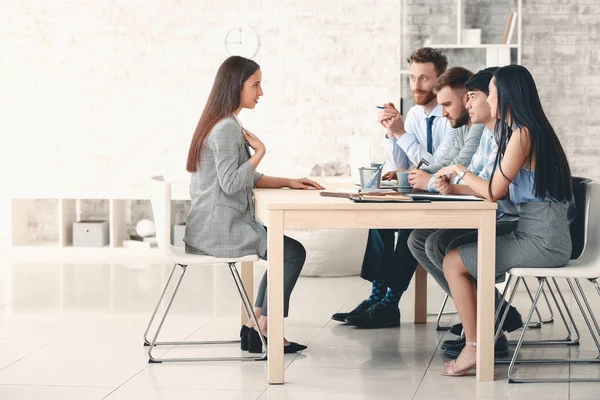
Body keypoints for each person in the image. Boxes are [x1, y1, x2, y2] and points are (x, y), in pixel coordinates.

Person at [437, 65, 573, 376]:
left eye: (494, 94)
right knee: (453, 255)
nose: (490, 101)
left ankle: (476, 347)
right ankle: (483, 337)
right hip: (536, 231)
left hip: (543, 240)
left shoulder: (522, 135)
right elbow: (494, 188)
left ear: (508, 96)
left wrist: (461, 170)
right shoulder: (525, 132)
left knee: (453, 262)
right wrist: (458, 184)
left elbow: (494, 191)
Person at [184, 56, 324, 354]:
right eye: (256, 85)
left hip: (219, 223)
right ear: (236, 86)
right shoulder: (225, 128)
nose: (260, 93)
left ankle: (254, 325)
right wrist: (260, 151)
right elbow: (232, 183)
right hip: (218, 230)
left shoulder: (225, 123)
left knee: (284, 252)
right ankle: (265, 328)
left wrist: (287, 181)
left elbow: (242, 176)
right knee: (291, 253)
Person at [331, 48, 458, 329]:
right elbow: (399, 163)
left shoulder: (452, 116)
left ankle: (390, 303)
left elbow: (437, 165)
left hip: (443, 198)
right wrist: (391, 131)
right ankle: (377, 297)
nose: (416, 85)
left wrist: (402, 134)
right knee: (380, 220)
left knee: (411, 228)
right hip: (418, 193)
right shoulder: (413, 115)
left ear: (439, 82)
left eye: (424, 78)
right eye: (412, 77)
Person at [408, 67, 523, 359]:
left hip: (509, 218)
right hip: (494, 213)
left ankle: (486, 327)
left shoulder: (512, 135)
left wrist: (448, 179)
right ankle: (488, 318)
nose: (468, 104)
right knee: (421, 239)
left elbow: (492, 189)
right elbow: (478, 181)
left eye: (473, 97)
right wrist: (448, 185)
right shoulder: (487, 132)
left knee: (436, 243)